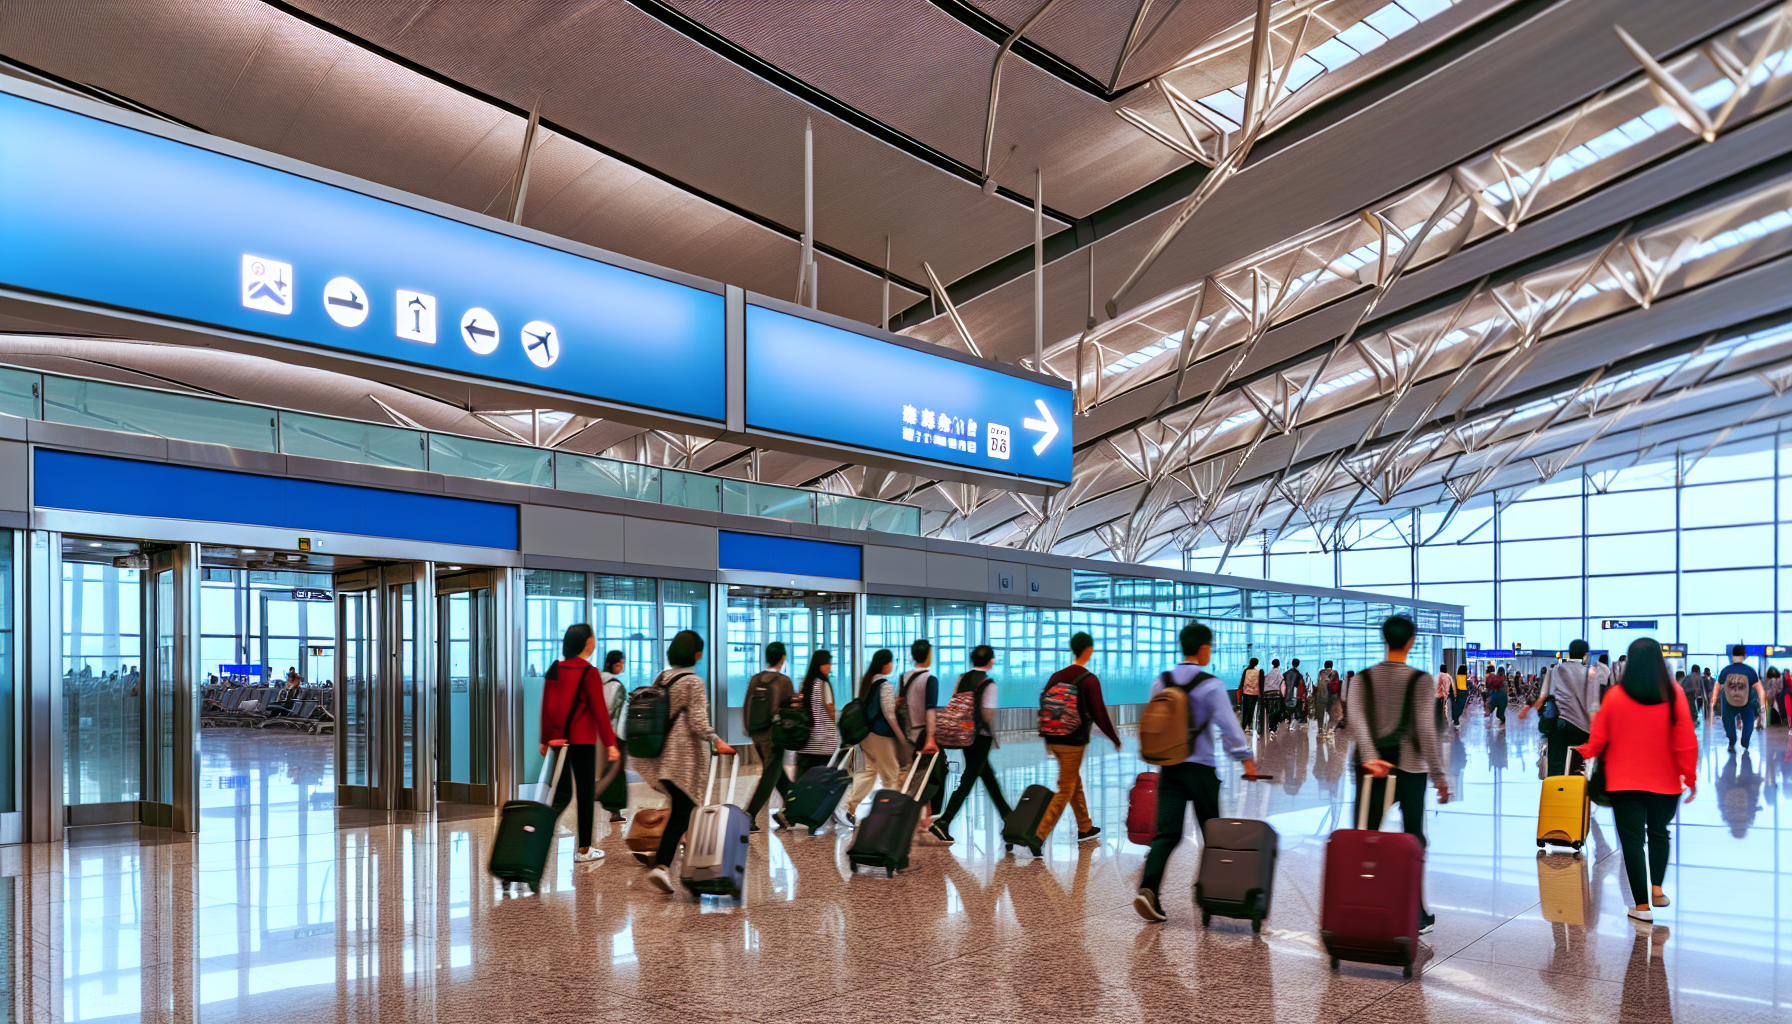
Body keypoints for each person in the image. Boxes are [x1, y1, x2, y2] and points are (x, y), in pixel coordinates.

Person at [1135, 622, 1257, 923]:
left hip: (1169, 768)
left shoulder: (1160, 681)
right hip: (1201, 770)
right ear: (1203, 648)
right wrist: (1246, 760)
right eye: (1210, 647)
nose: (1210, 651)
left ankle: (1148, 890)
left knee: (1166, 834)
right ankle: (1214, 894)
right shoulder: (1211, 684)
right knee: (1212, 835)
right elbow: (1229, 727)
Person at [1574, 638, 1697, 922]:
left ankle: (1641, 908)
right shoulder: (1674, 693)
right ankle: (1657, 890)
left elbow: (1600, 737)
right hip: (1666, 782)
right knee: (1658, 833)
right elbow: (1685, 740)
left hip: (1624, 782)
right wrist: (1689, 777)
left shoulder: (1616, 695)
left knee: (1631, 842)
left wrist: (1586, 751)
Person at [1347, 614, 1452, 935]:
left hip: (1370, 770)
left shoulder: (1361, 679)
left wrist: (1370, 757)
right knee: (1413, 839)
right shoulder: (1420, 680)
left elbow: (1357, 719)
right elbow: (1425, 729)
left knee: (1364, 837)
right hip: (1410, 769)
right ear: (1411, 642)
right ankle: (1415, 913)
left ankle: (1357, 904)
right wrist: (1438, 775)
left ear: (1384, 639)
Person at [635, 630, 734, 894]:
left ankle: (697, 872)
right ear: (697, 654)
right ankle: (663, 866)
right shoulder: (694, 682)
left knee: (685, 811)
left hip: (662, 756)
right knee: (682, 810)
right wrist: (716, 740)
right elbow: (698, 722)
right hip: (684, 761)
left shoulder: (662, 678)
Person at [539, 623, 622, 865]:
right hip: (583, 741)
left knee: (561, 794)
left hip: (559, 742)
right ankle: (584, 849)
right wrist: (611, 743)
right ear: (588, 643)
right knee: (585, 794)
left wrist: (545, 739)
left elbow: (547, 706)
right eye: (593, 637)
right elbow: (599, 712)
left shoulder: (555, 668)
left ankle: (539, 835)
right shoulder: (589, 672)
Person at [1034, 631, 1120, 844]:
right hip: (1073, 741)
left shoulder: (1057, 676)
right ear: (1089, 650)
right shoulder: (1088, 680)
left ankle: (1085, 826)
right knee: (1066, 789)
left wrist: (1046, 734)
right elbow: (1099, 712)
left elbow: (1044, 704)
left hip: (1052, 738)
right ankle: (1037, 835)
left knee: (1073, 781)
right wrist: (1114, 738)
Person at [932, 646, 1010, 844]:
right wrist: (992, 735)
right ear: (991, 661)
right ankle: (944, 821)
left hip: (965, 733)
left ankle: (1008, 818)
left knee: (986, 775)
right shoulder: (988, 684)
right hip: (979, 736)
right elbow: (987, 714)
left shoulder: (962, 678)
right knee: (969, 779)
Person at [1521, 640, 1599, 777]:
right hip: (1581, 730)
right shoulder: (1590, 674)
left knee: (1555, 745)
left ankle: (1554, 782)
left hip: (1559, 726)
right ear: (1585, 655)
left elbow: (1543, 696)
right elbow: (1592, 707)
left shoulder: (1555, 669)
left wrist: (1528, 709)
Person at [845, 649, 908, 816]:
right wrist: (901, 737)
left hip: (866, 735)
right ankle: (890, 814)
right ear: (885, 664)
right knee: (891, 775)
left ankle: (851, 807)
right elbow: (888, 714)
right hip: (880, 735)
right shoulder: (885, 684)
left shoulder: (868, 684)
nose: (892, 665)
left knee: (868, 772)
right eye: (891, 662)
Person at [742, 642, 797, 833]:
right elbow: (790, 711)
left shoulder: (756, 679)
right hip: (774, 735)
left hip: (756, 733)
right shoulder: (784, 681)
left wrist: (747, 728)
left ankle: (792, 810)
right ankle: (748, 814)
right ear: (783, 659)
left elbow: (746, 703)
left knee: (776, 773)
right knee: (769, 776)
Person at [899, 640, 947, 821]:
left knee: (915, 774)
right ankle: (933, 817)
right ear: (928, 655)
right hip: (923, 733)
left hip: (908, 734)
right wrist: (931, 737)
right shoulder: (930, 679)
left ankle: (913, 814)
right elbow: (930, 710)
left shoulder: (904, 677)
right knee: (936, 776)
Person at [793, 649, 840, 783]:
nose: (829, 666)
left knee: (804, 780)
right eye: (827, 663)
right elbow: (831, 710)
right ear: (819, 664)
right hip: (823, 743)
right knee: (823, 781)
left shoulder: (804, 683)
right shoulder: (824, 684)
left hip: (806, 741)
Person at [598, 650, 630, 823]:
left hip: (597, 733)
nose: (622, 667)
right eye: (620, 664)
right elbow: (611, 709)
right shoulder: (614, 684)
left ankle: (606, 803)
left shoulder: (597, 680)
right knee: (616, 771)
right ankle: (614, 810)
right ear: (612, 664)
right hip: (614, 733)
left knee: (605, 769)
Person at [1717, 645, 1765, 751]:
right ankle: (1745, 742)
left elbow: (1718, 686)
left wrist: (1714, 702)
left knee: (1728, 720)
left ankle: (1732, 740)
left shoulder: (1726, 670)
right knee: (1749, 721)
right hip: (1745, 702)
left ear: (1732, 656)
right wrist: (1762, 705)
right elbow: (1759, 689)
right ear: (1744, 656)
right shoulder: (1750, 671)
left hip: (1729, 703)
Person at [1312, 660, 1339, 737]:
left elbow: (1319, 684)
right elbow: (1335, 686)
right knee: (1332, 713)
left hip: (1321, 696)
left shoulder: (1321, 673)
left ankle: (1320, 729)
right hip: (1331, 696)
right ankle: (1329, 730)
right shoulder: (1334, 673)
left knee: (1320, 714)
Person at [1260, 658, 1285, 736]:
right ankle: (1272, 727)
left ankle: (1268, 726)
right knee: (1275, 710)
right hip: (1275, 694)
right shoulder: (1279, 673)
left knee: (1268, 710)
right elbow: (1282, 683)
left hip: (1266, 693)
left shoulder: (1269, 673)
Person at [1238, 657, 1262, 734]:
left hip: (1246, 692)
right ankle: (1249, 725)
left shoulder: (1246, 671)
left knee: (1245, 710)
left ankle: (1243, 726)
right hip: (1255, 693)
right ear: (1256, 663)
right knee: (1251, 710)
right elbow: (1261, 683)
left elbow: (1242, 682)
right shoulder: (1259, 672)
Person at [1485, 661, 1509, 728]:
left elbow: (1489, 687)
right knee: (1500, 713)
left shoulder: (1493, 678)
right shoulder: (1504, 681)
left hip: (1497, 696)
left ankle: (1490, 711)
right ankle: (1503, 723)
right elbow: (1507, 691)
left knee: (1497, 711)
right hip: (1503, 697)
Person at [1286, 658, 1307, 725]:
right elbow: (1300, 685)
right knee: (1296, 707)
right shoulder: (1298, 674)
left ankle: (1288, 719)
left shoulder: (1287, 673)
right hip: (1295, 694)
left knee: (1288, 708)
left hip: (1286, 694)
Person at [1449, 662, 1470, 728]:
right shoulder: (1466, 676)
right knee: (1461, 707)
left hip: (1459, 692)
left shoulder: (1456, 676)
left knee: (1457, 706)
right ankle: (1456, 719)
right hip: (1464, 692)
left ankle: (1455, 719)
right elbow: (1467, 684)